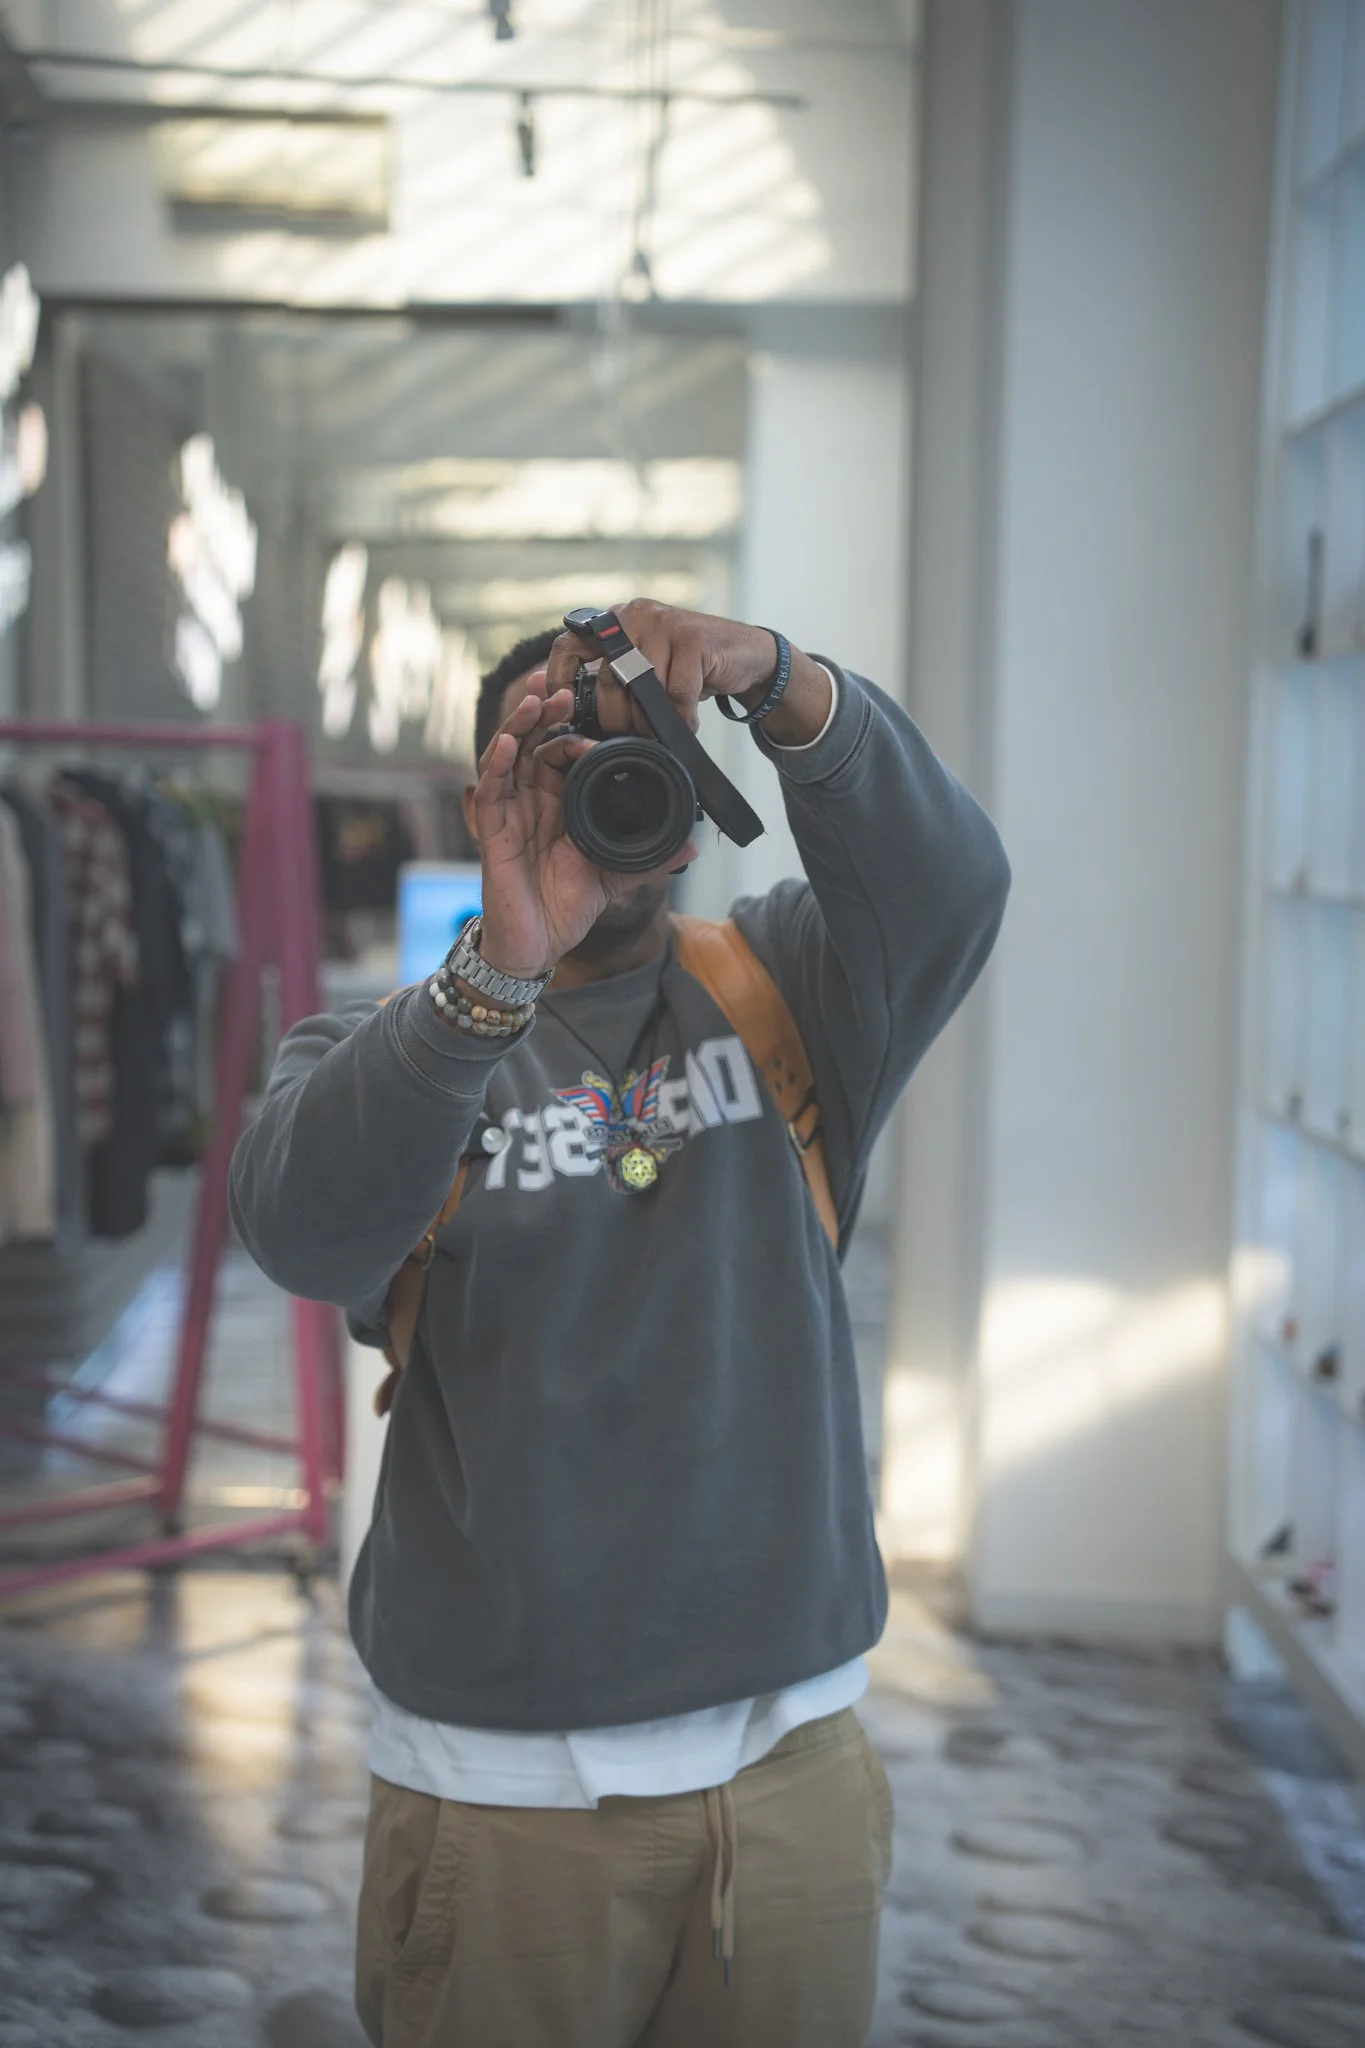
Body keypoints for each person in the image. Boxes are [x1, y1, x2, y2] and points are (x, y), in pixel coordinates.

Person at [230, 600, 1009, 2048]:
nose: (603, 772)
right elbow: (301, 1229)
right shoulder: (393, 1051)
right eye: (558, 745)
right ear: (492, 798)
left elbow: (954, 885)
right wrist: (495, 977)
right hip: (503, 1796)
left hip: (794, 1781)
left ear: (696, 795)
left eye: (631, 739)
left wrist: (785, 682)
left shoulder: (788, 987)